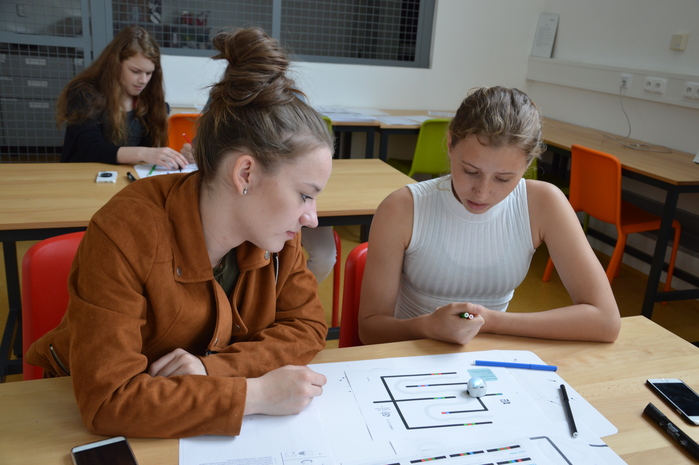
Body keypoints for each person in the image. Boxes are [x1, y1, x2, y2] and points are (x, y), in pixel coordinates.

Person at [27, 27, 333, 439]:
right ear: (245, 174)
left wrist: (212, 370)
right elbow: (109, 400)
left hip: (177, 419)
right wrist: (252, 395)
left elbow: (307, 325)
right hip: (65, 421)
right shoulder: (125, 231)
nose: (311, 218)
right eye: (304, 195)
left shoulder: (277, 238)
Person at [358, 86, 620, 346]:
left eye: (503, 179)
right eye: (471, 172)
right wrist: (427, 326)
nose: (482, 193)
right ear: (450, 144)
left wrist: (488, 321)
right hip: (407, 355)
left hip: (490, 358)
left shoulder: (544, 203)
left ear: (527, 164)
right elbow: (370, 330)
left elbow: (606, 322)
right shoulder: (402, 208)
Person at [56, 26, 192, 168]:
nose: (143, 80)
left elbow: (151, 152)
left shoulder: (149, 100)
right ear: (114, 64)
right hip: (82, 173)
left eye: (149, 73)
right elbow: (90, 149)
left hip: (124, 175)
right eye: (135, 71)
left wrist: (183, 156)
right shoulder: (84, 93)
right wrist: (143, 153)